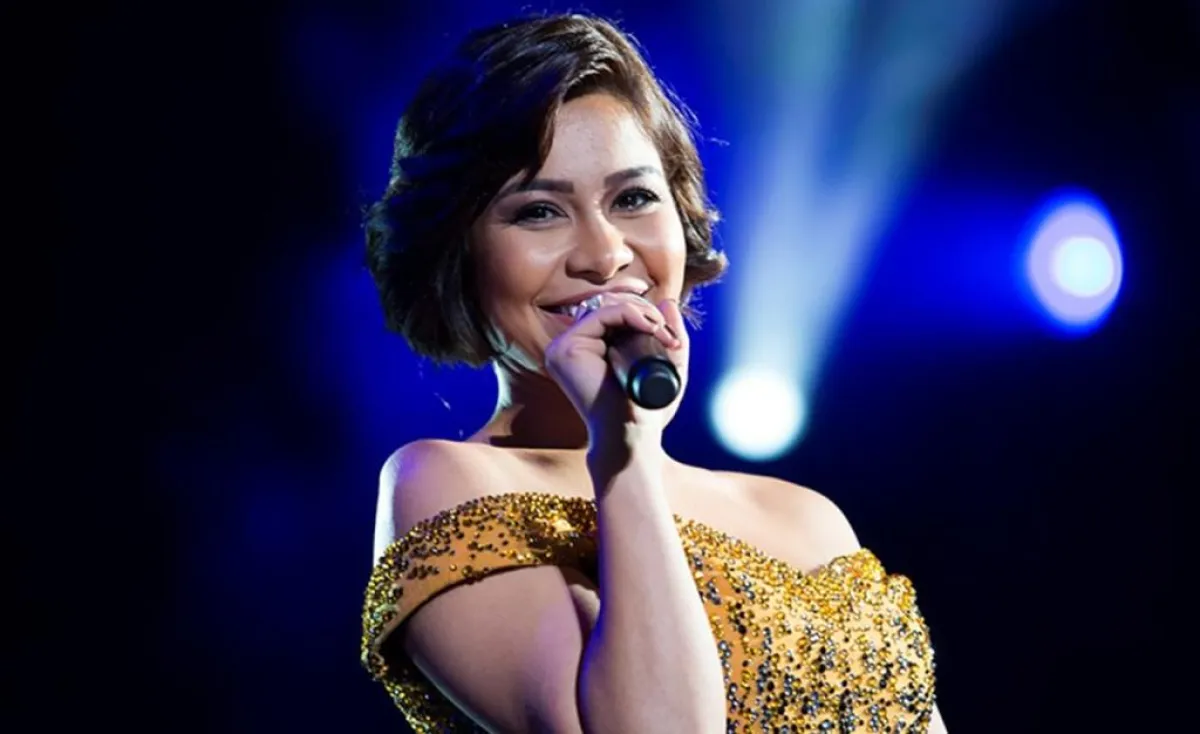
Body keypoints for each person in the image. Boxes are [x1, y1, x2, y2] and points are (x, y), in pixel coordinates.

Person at [360, 12, 946, 733]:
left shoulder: (808, 519)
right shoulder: (444, 482)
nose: (604, 254)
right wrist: (624, 454)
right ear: (458, 253)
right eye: (539, 211)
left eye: (633, 198)